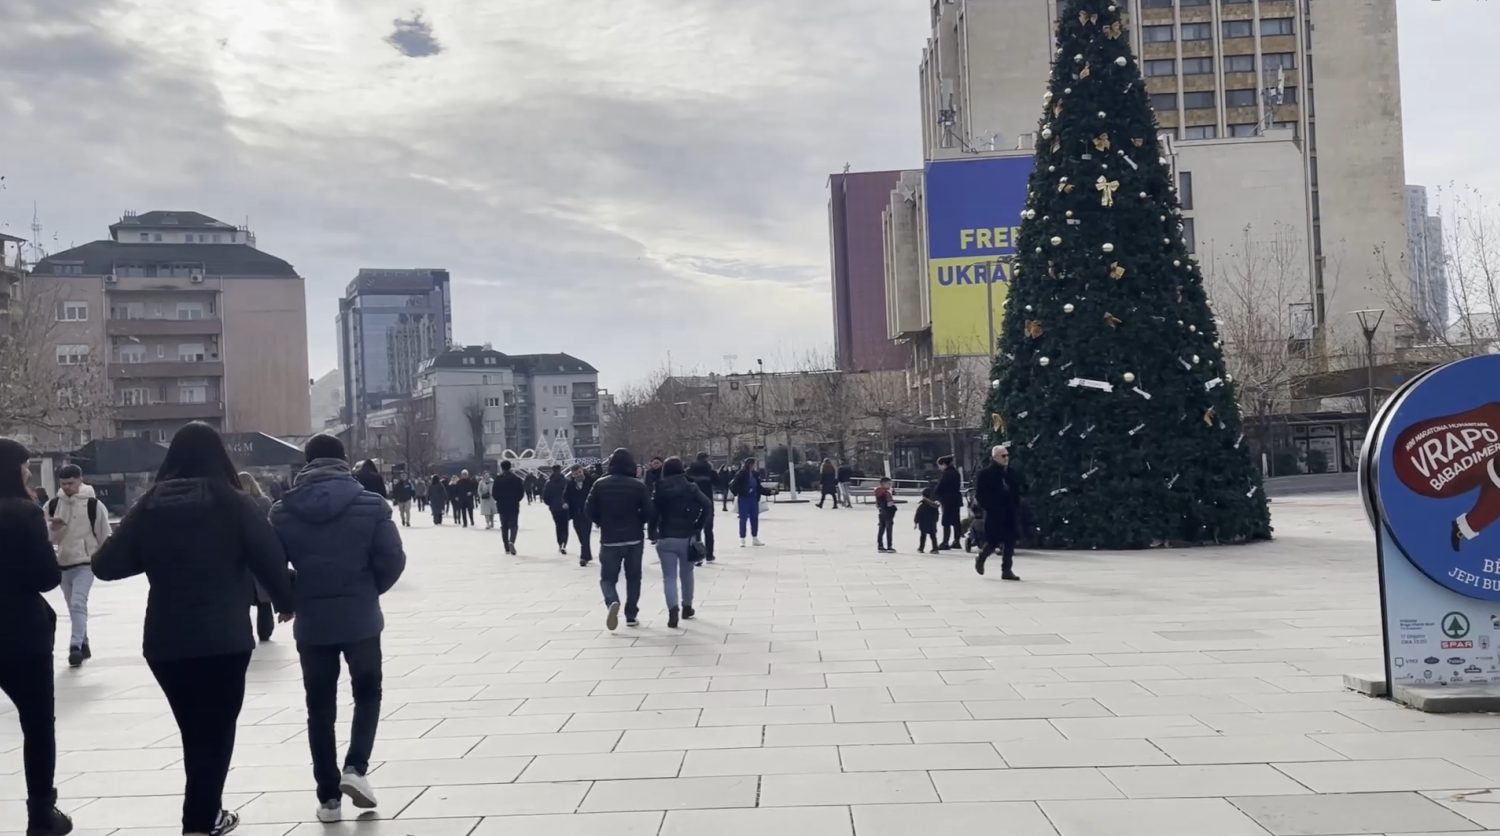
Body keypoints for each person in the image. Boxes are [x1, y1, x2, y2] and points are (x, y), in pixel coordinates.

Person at [92, 422, 295, 836]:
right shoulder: (234, 502)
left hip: (166, 641)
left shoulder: (149, 504)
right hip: (224, 638)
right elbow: (269, 556)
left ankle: (205, 815)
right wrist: (286, 600)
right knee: (217, 732)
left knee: (195, 732)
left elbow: (105, 565)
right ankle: (199, 823)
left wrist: (157, 557)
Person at [271, 434, 406, 823]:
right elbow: (392, 559)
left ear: (306, 464)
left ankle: (329, 799)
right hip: (361, 617)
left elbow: (271, 565)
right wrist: (367, 590)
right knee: (367, 693)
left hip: (313, 623)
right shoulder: (370, 504)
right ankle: (356, 768)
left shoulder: (283, 510)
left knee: (320, 708)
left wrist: (290, 598)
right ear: (344, 461)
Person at [0, 438, 73, 836]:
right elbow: (47, 577)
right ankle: (41, 814)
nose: (29, 472)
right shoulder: (24, 514)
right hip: (20, 633)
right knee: (37, 725)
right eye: (25, 466)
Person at [45, 464, 111, 668]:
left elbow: (104, 534)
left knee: (77, 603)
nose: (66, 487)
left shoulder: (94, 505)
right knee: (73, 606)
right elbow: (45, 538)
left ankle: (75, 646)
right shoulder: (52, 505)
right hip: (64, 562)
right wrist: (52, 528)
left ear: (80, 480)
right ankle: (83, 643)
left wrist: (104, 560)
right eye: (63, 484)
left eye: (70, 483)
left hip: (86, 562)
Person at [586, 448, 654, 630]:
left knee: (607, 578)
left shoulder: (600, 484)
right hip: (634, 538)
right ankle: (631, 615)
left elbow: (588, 509)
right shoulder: (638, 485)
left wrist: (601, 522)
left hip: (610, 538)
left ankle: (612, 601)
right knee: (634, 577)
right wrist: (640, 522)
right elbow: (649, 512)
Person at [649, 457, 712, 628]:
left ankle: (672, 611)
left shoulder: (659, 487)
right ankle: (687, 607)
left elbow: (653, 513)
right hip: (687, 536)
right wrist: (698, 525)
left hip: (666, 536)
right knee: (687, 573)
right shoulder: (691, 487)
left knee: (669, 577)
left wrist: (651, 532)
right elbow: (707, 505)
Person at [237, 474, 277, 643]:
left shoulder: (234, 502)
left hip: (240, 555)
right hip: (260, 553)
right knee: (264, 599)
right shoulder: (264, 502)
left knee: (241, 600)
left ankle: (242, 632)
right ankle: (265, 631)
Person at [973, 445, 1022, 580]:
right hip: (995, 512)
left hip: (1010, 511)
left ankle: (1007, 570)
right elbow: (980, 494)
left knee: (1010, 541)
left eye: (1007, 455)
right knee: (993, 541)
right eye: (1003, 456)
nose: (1006, 458)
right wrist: (989, 507)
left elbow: (1017, 491)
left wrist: (1016, 505)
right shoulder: (985, 474)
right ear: (995, 458)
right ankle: (981, 557)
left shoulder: (1011, 473)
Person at [729, 458, 775, 547]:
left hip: (753, 499)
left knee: (754, 519)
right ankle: (742, 538)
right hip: (744, 499)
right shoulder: (741, 474)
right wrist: (744, 491)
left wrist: (769, 492)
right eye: (753, 464)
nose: (754, 466)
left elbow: (758, 488)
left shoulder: (755, 475)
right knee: (743, 519)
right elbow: (733, 486)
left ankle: (755, 537)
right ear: (749, 465)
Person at [685, 452, 718, 564]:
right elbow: (718, 483)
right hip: (707, 501)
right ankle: (709, 554)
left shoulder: (689, 471)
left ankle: (698, 554)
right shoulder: (710, 472)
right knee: (708, 530)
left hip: (693, 501)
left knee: (695, 529)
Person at [564, 465, 595, 567]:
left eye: (579, 472)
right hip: (575, 513)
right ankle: (587, 555)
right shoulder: (570, 484)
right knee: (581, 535)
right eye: (576, 473)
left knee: (586, 534)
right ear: (572, 474)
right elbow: (565, 496)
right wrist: (565, 503)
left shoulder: (591, 482)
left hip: (587, 512)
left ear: (582, 471)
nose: (578, 475)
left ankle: (583, 557)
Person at [492, 461, 526, 555]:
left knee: (504, 526)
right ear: (510, 467)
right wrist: (516, 500)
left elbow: (494, 493)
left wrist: (499, 500)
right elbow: (521, 492)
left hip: (502, 505)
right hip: (513, 504)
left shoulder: (498, 479)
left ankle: (506, 546)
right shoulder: (516, 479)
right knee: (514, 525)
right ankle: (512, 541)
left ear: (502, 468)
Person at [934, 455, 963, 550]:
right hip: (956, 499)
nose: (939, 468)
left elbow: (940, 487)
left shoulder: (947, 474)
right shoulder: (956, 473)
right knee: (956, 521)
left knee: (946, 522)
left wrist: (935, 496)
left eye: (939, 465)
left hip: (947, 500)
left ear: (944, 464)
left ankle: (945, 542)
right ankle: (956, 541)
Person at [542, 465, 569, 554]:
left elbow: (545, 496)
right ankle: (564, 543)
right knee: (565, 525)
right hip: (564, 506)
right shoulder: (566, 482)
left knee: (558, 526)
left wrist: (550, 504)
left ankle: (560, 542)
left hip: (554, 507)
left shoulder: (549, 483)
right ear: (560, 470)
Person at [914, 487, 941, 553]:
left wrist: (916, 522)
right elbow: (936, 515)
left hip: (923, 523)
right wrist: (935, 521)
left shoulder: (922, 505)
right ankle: (935, 548)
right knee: (933, 537)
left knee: (923, 536)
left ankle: (921, 548)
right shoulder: (934, 506)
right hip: (932, 523)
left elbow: (918, 514)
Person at [874, 477, 897, 553]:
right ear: (884, 484)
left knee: (881, 530)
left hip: (881, 513)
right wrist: (894, 508)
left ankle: (880, 546)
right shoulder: (887, 493)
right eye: (889, 484)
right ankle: (889, 546)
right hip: (888, 514)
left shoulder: (877, 492)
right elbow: (890, 504)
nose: (890, 485)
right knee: (889, 530)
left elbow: (877, 504)